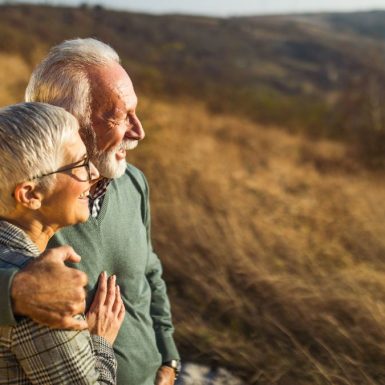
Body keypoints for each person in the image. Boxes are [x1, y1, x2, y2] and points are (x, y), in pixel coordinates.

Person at [0, 39, 180, 385]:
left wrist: (169, 360)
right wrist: (14, 287)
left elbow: (150, 275)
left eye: (135, 112)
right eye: (117, 117)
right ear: (62, 121)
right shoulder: (20, 208)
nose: (139, 131)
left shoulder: (135, 183)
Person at [0, 102, 125, 384]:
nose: (94, 174)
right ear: (30, 194)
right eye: (79, 164)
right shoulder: (43, 298)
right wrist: (100, 341)